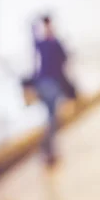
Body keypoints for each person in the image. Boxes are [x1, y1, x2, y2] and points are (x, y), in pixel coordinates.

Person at [31, 15, 76, 166]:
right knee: (52, 118)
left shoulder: (53, 43)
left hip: (52, 84)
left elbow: (64, 59)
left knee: (52, 118)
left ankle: (48, 147)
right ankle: (48, 148)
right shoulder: (45, 43)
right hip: (46, 84)